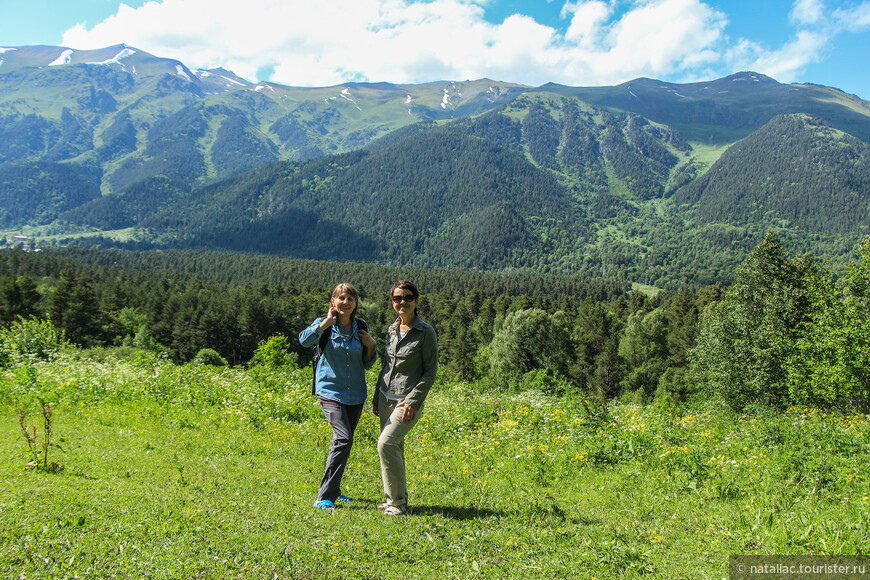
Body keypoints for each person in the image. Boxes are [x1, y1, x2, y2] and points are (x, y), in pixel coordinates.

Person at [299, 283, 376, 510]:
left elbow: (366, 363)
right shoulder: (323, 324)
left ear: (355, 304)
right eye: (341, 298)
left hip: (356, 394)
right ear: (333, 301)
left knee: (343, 443)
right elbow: (304, 341)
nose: (345, 302)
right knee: (343, 439)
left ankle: (335, 489)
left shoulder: (360, 327)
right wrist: (324, 324)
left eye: (350, 299)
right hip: (330, 391)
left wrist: (371, 346)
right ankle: (325, 496)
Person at [373, 280, 438, 516]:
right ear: (392, 302)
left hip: (406, 401)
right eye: (397, 298)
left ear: (417, 301)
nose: (403, 302)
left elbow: (430, 371)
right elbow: (386, 365)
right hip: (384, 398)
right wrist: (375, 396)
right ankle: (395, 499)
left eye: (408, 297)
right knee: (394, 447)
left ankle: (397, 503)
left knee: (386, 443)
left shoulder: (425, 332)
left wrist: (412, 401)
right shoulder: (392, 329)